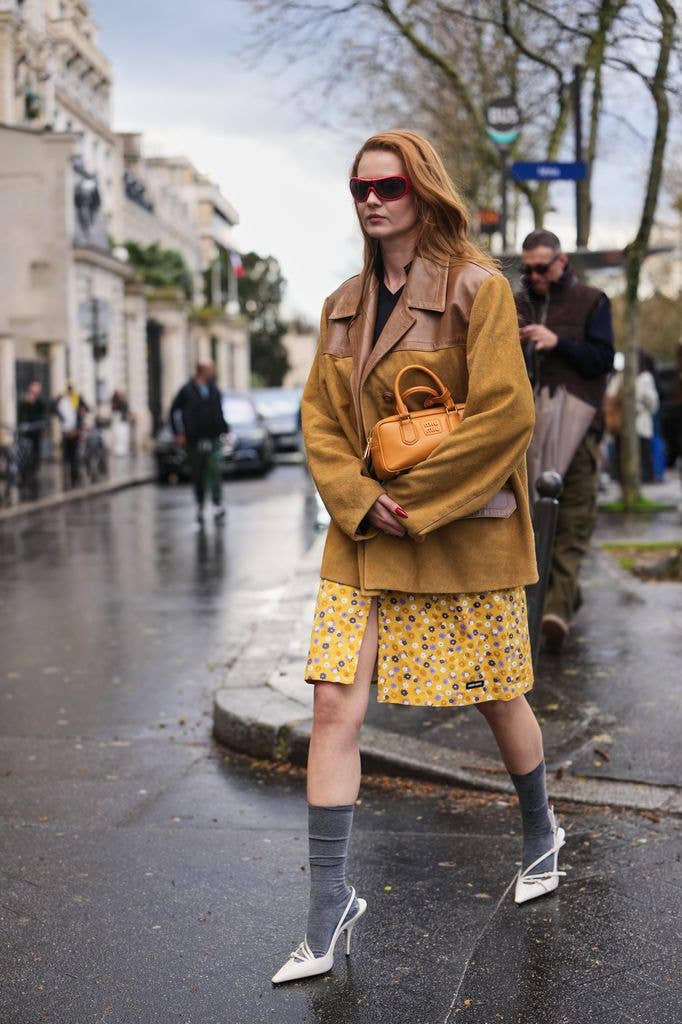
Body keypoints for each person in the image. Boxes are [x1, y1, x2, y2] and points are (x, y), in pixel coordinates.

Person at [272, 130, 567, 985]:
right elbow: (321, 425)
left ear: (422, 190)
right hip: (364, 538)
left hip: (456, 536)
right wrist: (366, 503)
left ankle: (541, 829)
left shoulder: (480, 291)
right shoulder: (338, 306)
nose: (372, 199)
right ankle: (330, 910)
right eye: (360, 187)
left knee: (496, 695)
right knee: (334, 707)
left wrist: (420, 503)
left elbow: (505, 417)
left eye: (389, 186)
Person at [515, 230, 614, 653]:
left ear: (561, 262)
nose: (535, 276)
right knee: (534, 526)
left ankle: (555, 610)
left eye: (542, 267)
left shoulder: (593, 301)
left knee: (573, 517)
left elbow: (602, 359)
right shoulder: (518, 303)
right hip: (528, 429)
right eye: (528, 268)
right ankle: (553, 602)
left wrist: (558, 343)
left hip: (579, 425)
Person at [169, 361, 229, 525]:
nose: (213, 371)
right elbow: (174, 410)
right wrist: (178, 433)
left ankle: (217, 504)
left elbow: (219, 412)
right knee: (197, 473)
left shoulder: (214, 388)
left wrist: (225, 431)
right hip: (193, 439)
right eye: (211, 369)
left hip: (213, 437)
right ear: (202, 371)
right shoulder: (187, 390)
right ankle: (201, 504)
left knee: (214, 468)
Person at [604, 350, 660, 484]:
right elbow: (610, 395)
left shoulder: (644, 377)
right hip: (623, 424)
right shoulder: (621, 376)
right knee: (624, 455)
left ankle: (642, 481)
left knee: (642, 455)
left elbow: (653, 403)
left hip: (638, 425)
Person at [55, 381, 88, 487]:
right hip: (66, 431)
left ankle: (75, 476)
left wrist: (81, 413)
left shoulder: (77, 397)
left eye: (70, 387)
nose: (69, 389)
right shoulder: (62, 398)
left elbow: (86, 408)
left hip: (75, 430)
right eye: (68, 387)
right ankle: (69, 477)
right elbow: (54, 408)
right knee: (67, 456)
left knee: (74, 455)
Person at [17, 380, 47, 480]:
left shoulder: (40, 403)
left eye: (37, 389)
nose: (35, 391)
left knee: (35, 452)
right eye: (34, 389)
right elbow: (21, 416)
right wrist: (28, 403)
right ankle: (24, 472)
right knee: (24, 452)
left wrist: (41, 428)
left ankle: (33, 471)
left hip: (36, 432)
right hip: (25, 433)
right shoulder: (24, 402)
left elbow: (42, 417)